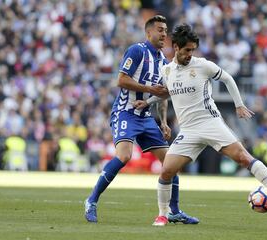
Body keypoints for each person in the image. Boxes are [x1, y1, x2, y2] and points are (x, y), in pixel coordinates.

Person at [133, 24, 267, 226]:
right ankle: (163, 214)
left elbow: (227, 78)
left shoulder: (203, 65)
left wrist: (239, 104)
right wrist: (147, 102)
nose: (190, 54)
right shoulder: (167, 70)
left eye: (193, 50)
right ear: (176, 48)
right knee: (166, 171)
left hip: (210, 122)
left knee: (243, 157)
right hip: (188, 130)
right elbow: (165, 92)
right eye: (187, 50)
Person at [84, 16, 199, 224]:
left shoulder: (164, 62)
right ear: (149, 33)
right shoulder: (136, 51)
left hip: (146, 117)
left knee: (170, 163)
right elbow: (121, 80)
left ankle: (173, 210)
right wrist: (148, 89)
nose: (164, 34)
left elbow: (162, 95)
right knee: (124, 156)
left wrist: (163, 121)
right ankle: (91, 200)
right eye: (160, 30)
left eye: (166, 30)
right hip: (125, 112)